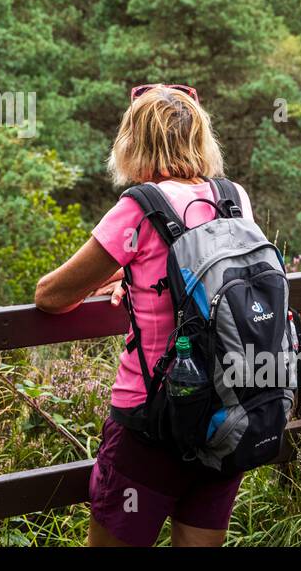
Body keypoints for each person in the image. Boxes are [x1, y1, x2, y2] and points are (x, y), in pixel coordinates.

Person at [34, 84, 253, 547]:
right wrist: (134, 277)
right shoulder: (234, 198)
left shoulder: (138, 207)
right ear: (199, 139)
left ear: (134, 141)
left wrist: (109, 275)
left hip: (150, 420)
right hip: (225, 411)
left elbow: (51, 296)